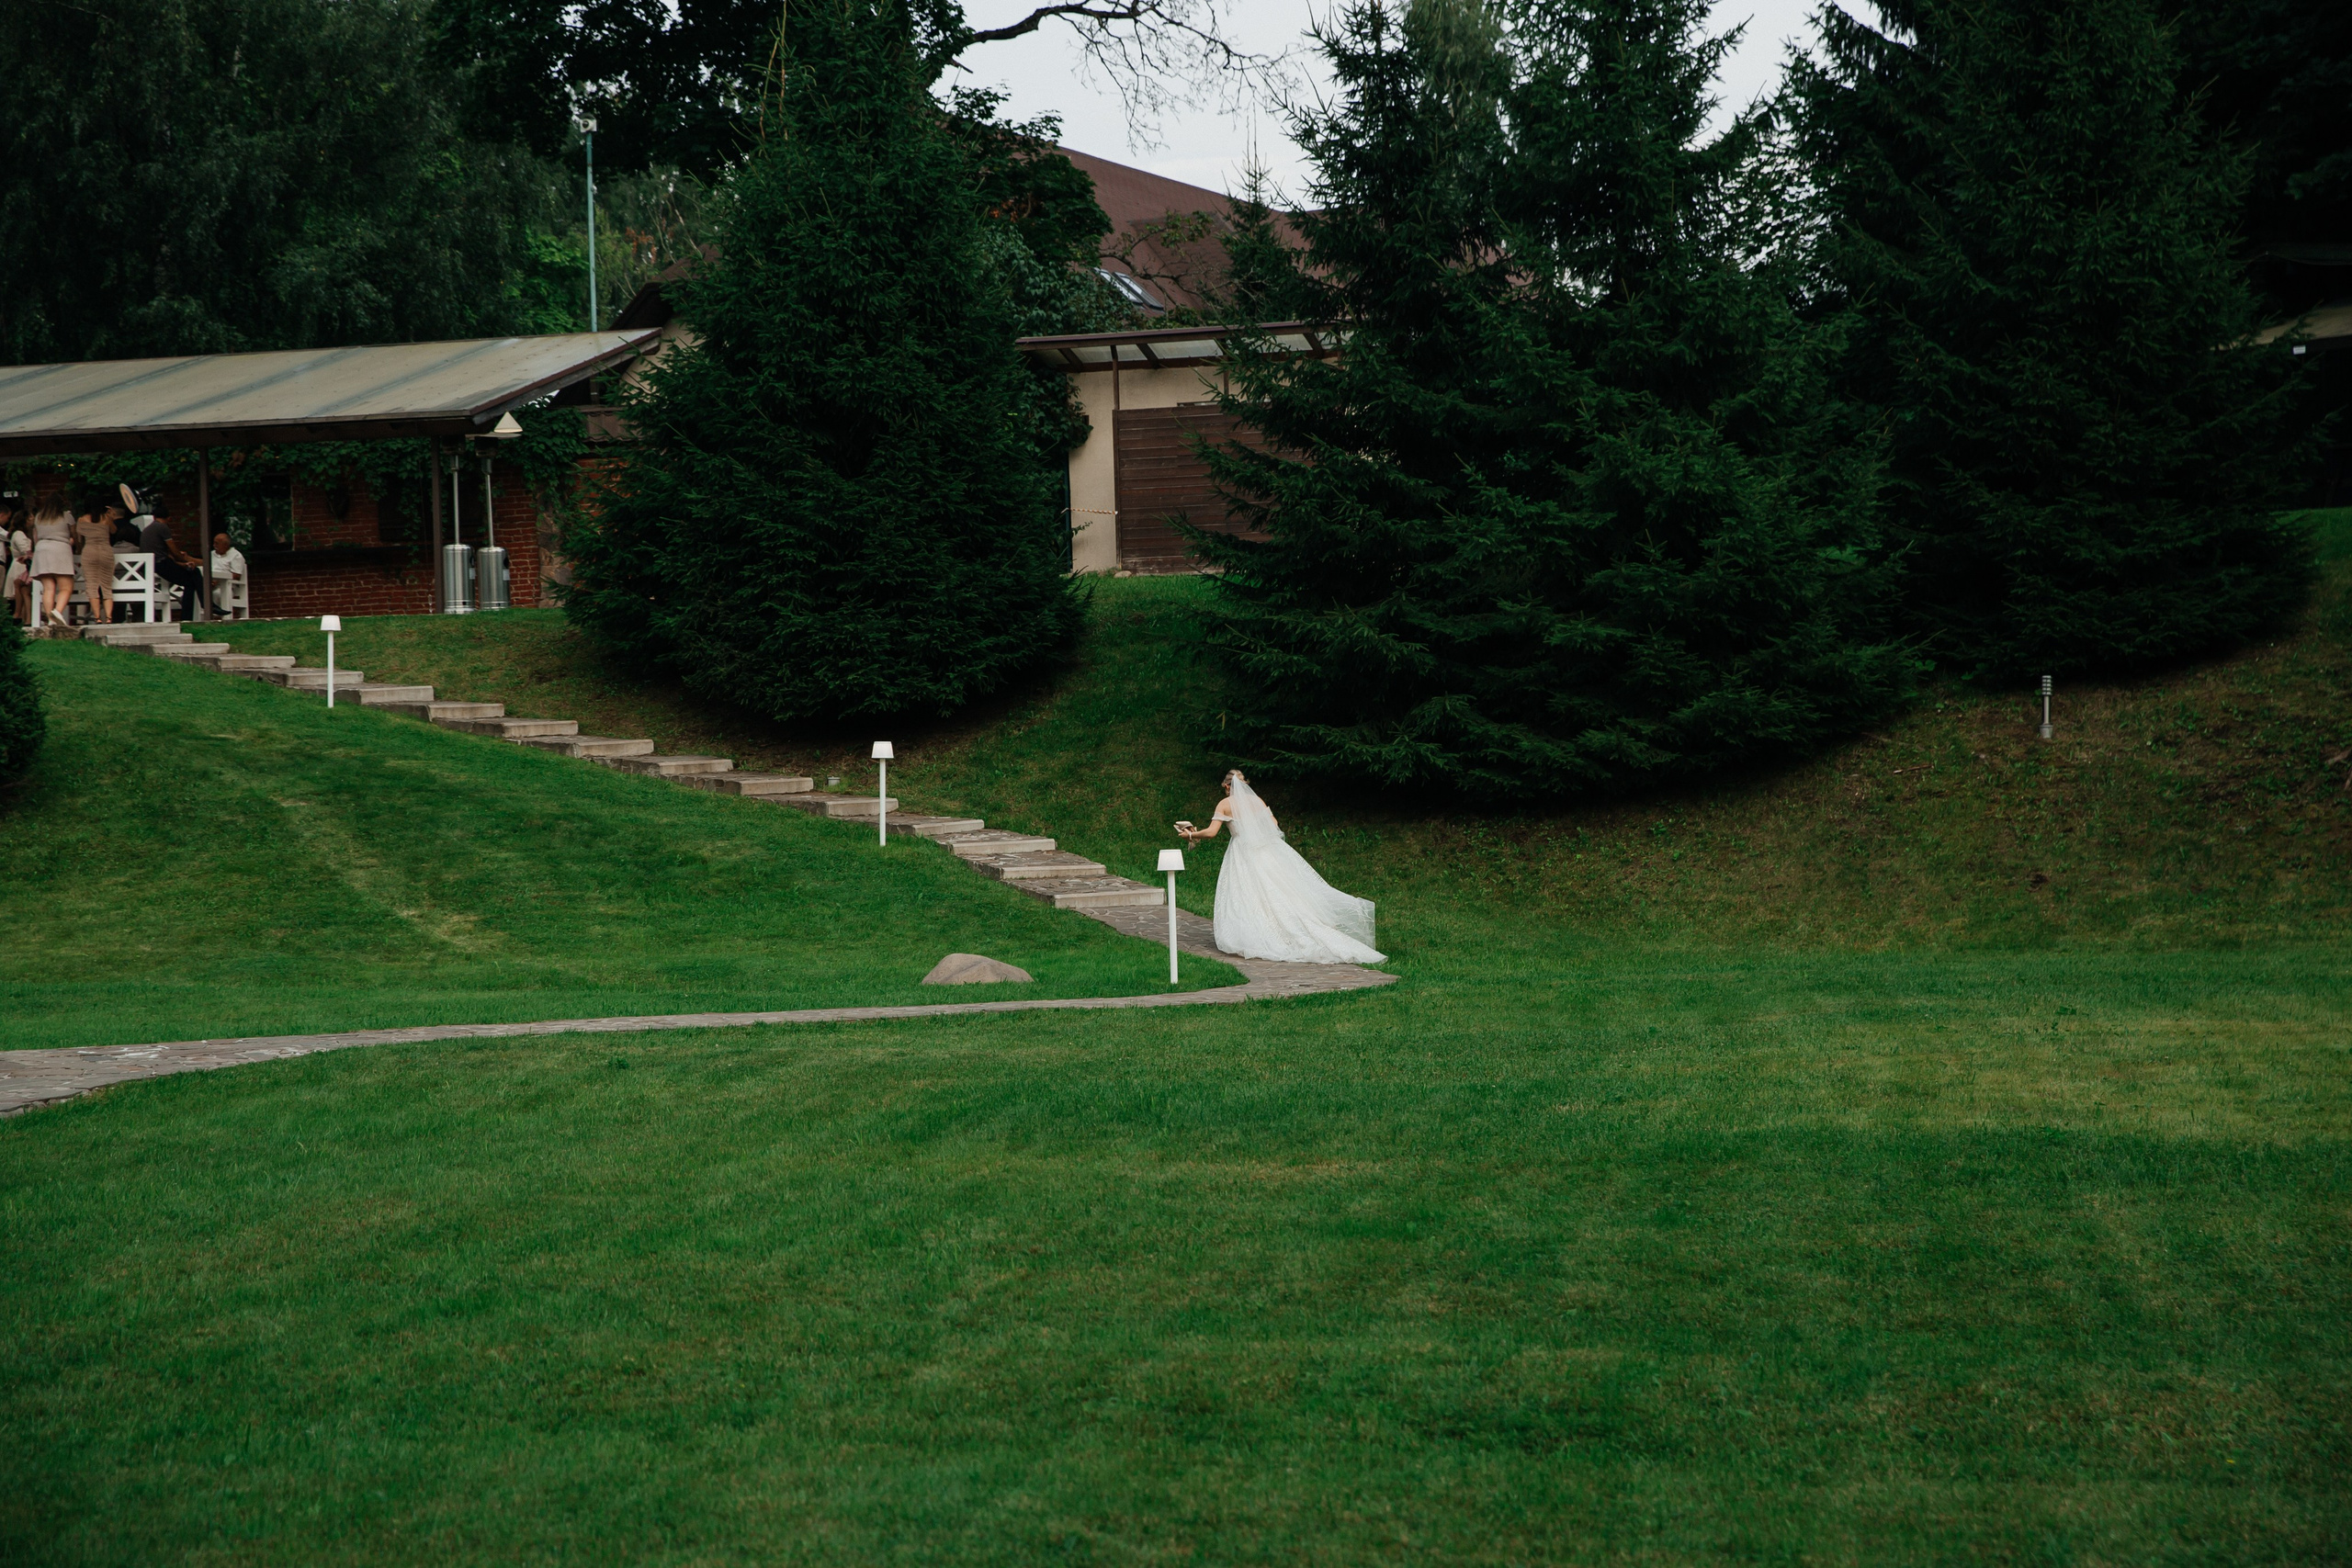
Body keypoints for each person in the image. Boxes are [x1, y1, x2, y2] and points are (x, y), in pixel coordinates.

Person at [1177, 770, 1385, 964]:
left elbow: (1212, 832)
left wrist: (1191, 835)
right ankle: (1290, 928)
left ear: (1226, 786)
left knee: (1247, 892)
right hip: (1266, 850)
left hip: (1242, 852)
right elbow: (1274, 825)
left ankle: (1256, 934)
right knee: (1278, 890)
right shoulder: (1257, 801)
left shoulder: (1225, 804)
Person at [134, 492, 207, 622]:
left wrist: (183, 565)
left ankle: (198, 609)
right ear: (169, 518)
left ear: (154, 517)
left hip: (153, 565)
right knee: (193, 575)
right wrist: (185, 560)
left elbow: (165, 554)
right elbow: (174, 552)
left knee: (190, 580)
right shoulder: (163, 528)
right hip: (162, 564)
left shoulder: (147, 530)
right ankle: (203, 606)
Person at [28, 491, 76, 627]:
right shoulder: (66, 516)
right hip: (60, 549)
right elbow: (74, 534)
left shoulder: (39, 517)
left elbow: (35, 537)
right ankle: (57, 612)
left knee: (48, 589)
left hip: (42, 550)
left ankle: (51, 619)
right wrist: (75, 544)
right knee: (66, 587)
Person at [73, 493, 119, 626]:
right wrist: (112, 516)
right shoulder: (106, 518)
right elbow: (114, 531)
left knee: (92, 586)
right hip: (105, 551)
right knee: (107, 586)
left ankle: (97, 617)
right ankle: (109, 617)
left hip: (90, 551)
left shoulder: (82, 520)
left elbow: (79, 538)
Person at [209, 532, 246, 617]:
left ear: (225, 545)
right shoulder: (211, 554)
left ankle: (222, 618)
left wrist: (218, 580)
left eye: (217, 543)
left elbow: (237, 575)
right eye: (214, 543)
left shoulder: (236, 555)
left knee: (217, 594)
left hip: (226, 586)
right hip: (209, 584)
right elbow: (203, 564)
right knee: (195, 591)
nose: (214, 545)